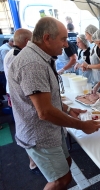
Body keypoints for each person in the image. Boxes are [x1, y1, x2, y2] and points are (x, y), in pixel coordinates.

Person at [8, 17, 100, 189]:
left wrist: (67, 109)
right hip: (40, 135)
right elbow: (44, 112)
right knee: (61, 180)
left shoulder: (39, 57)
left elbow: (47, 98)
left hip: (51, 131)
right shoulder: (32, 63)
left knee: (66, 164)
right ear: (46, 38)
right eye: (63, 39)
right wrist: (82, 126)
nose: (66, 44)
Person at [3, 28, 42, 175]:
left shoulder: (13, 53)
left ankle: (34, 161)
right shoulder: (17, 56)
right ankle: (33, 163)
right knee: (27, 124)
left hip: (15, 93)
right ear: (26, 41)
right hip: (19, 95)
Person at [0, 37, 13, 103]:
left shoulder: (5, 47)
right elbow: (8, 63)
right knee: (8, 90)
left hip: (3, 71)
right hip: (3, 72)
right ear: (12, 42)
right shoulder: (6, 50)